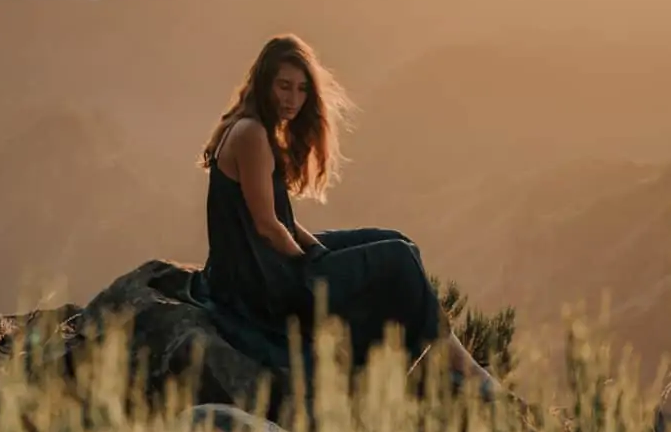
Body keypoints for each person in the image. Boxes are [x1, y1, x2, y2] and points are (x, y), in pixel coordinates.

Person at [197, 33, 503, 398]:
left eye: (301, 90)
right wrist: (311, 265)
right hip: (261, 283)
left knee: (398, 242)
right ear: (263, 82)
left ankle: (418, 359)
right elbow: (266, 226)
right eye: (283, 87)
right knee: (398, 260)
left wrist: (321, 255)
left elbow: (284, 222)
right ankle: (464, 371)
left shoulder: (254, 128)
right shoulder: (251, 134)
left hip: (262, 265)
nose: (292, 100)